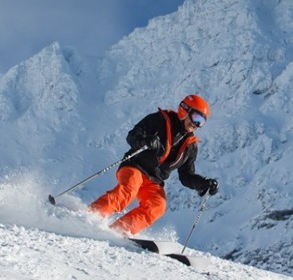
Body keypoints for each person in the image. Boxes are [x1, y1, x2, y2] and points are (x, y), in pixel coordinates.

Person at [90, 94, 219, 236]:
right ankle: (91, 216)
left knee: (158, 205)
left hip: (154, 180)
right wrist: (145, 141)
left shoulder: (191, 146)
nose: (196, 124)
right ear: (184, 110)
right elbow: (133, 135)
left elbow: (186, 175)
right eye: (196, 117)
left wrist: (202, 184)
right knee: (128, 189)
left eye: (201, 121)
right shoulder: (160, 120)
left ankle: (120, 230)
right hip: (135, 166)